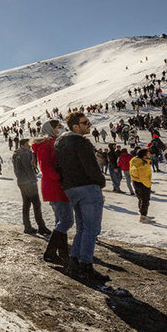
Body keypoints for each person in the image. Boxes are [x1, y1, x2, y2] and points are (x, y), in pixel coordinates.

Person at [55, 112, 108, 281]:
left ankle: (75, 261)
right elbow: (90, 167)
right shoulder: (81, 142)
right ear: (75, 126)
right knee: (91, 228)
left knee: (82, 227)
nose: (89, 125)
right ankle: (86, 264)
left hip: (71, 189)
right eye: (85, 123)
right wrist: (100, 182)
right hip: (87, 187)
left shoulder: (60, 143)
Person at [32, 120, 72, 264]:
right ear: (51, 129)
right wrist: (60, 177)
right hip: (55, 186)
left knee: (60, 221)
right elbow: (46, 167)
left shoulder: (53, 142)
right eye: (57, 127)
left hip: (58, 185)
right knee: (66, 220)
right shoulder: (46, 144)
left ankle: (62, 252)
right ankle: (50, 252)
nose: (59, 130)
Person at [12, 139, 51, 235]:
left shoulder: (16, 153)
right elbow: (28, 168)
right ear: (24, 144)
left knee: (26, 204)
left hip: (21, 182)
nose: (30, 146)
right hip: (29, 182)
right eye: (29, 144)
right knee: (36, 204)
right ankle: (41, 226)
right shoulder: (25, 153)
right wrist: (33, 180)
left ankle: (27, 226)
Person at [129, 149, 154, 224]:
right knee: (145, 199)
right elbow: (143, 177)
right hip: (142, 183)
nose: (150, 154)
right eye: (148, 153)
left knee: (141, 198)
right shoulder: (143, 164)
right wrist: (148, 184)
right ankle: (143, 217)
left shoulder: (134, 160)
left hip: (136, 181)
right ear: (144, 156)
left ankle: (143, 215)